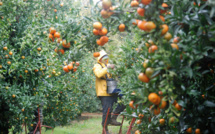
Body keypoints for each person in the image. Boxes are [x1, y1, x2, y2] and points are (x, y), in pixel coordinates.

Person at [93, 50, 125, 134]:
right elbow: (99, 74)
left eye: (107, 57)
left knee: (125, 99)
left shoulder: (108, 65)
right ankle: (105, 128)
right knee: (107, 110)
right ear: (100, 58)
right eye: (104, 57)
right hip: (104, 92)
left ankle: (113, 117)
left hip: (112, 90)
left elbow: (116, 76)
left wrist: (116, 70)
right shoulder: (97, 66)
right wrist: (107, 68)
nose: (106, 59)